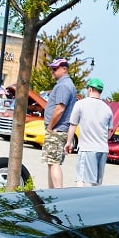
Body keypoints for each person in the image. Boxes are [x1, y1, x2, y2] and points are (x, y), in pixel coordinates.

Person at [65, 78, 113, 187]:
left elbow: (73, 125)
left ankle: (80, 202)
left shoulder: (80, 104)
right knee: (96, 183)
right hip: (103, 149)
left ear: (90, 89)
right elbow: (109, 132)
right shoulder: (107, 109)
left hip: (87, 148)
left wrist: (69, 143)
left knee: (81, 178)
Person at [42, 58, 77, 188]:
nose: (53, 71)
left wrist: (50, 127)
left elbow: (60, 108)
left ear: (64, 69)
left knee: (54, 162)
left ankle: (57, 193)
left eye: (55, 69)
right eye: (52, 68)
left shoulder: (63, 85)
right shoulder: (66, 84)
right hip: (59, 129)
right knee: (51, 161)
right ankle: (52, 194)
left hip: (57, 129)